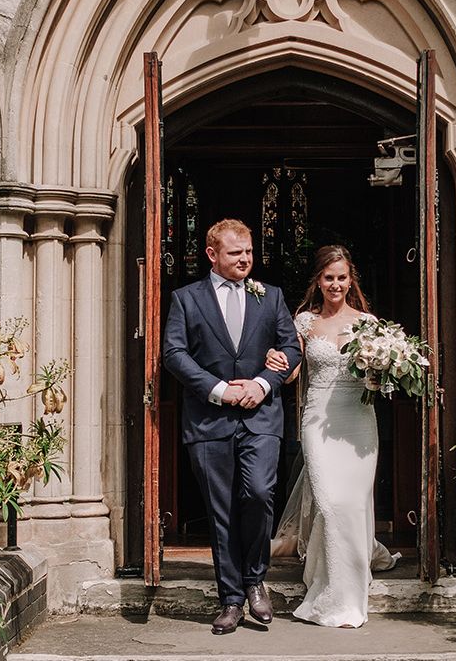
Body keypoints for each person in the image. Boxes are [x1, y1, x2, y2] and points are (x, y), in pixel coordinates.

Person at [163, 218, 302, 635]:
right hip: (209, 419)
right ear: (212, 255)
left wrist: (263, 383)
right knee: (220, 510)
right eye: (235, 253)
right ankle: (231, 599)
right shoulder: (186, 299)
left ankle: (256, 579)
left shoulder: (271, 296)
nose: (245, 259)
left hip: (261, 418)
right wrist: (221, 390)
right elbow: (174, 353)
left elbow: (292, 348)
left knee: (259, 494)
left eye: (248, 252)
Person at [265, 244, 400, 628]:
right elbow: (293, 371)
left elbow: (378, 379)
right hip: (318, 419)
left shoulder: (369, 323)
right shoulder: (304, 322)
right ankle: (331, 590)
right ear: (318, 281)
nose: (335, 284)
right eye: (329, 278)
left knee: (353, 504)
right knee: (329, 502)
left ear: (350, 279)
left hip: (358, 420)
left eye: (342, 277)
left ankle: (349, 592)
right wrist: (278, 362)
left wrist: (383, 372)